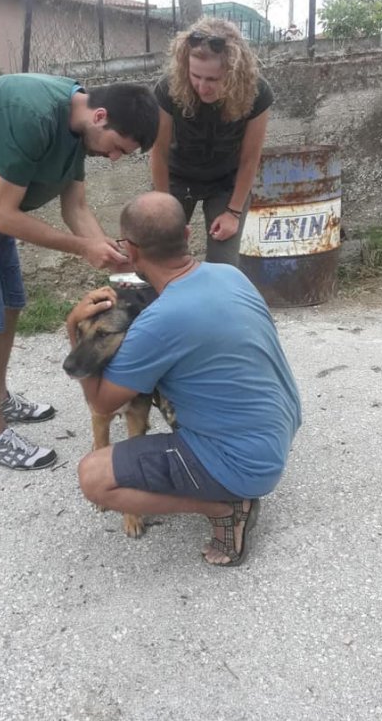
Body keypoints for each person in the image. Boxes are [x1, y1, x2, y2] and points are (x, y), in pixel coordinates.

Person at [0, 73, 159, 471]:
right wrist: (82, 247)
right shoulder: (32, 115)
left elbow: (75, 209)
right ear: (101, 117)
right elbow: (2, 213)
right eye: (117, 149)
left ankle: (0, 397)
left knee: (11, 306)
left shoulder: (79, 129)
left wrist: (113, 260)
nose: (113, 159)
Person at [66, 192, 301, 566]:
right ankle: (231, 485)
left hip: (243, 463)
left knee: (93, 479)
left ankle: (224, 508)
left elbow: (100, 403)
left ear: (130, 251)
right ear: (189, 235)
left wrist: (72, 324)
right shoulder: (230, 274)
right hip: (278, 434)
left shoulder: (157, 322)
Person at [150, 16, 274, 267]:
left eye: (213, 80)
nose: (202, 87)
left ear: (233, 72)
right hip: (177, 177)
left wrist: (233, 212)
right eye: (196, 76)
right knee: (160, 260)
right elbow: (158, 151)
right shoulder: (168, 87)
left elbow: (250, 158)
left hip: (226, 183)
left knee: (223, 268)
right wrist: (164, 208)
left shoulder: (257, 92)